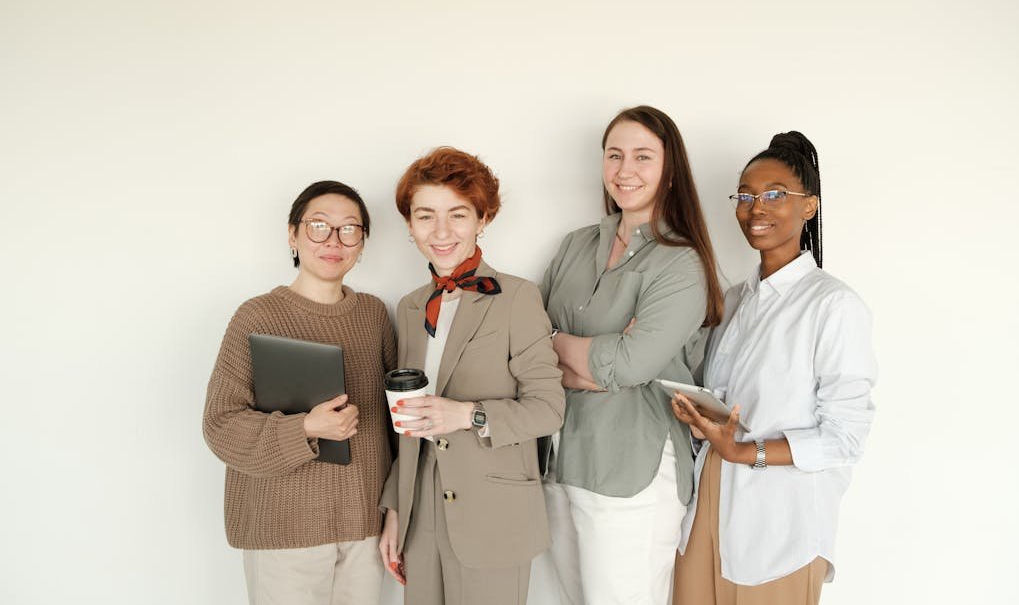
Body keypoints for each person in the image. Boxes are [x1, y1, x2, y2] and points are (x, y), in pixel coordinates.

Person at [671, 131, 877, 605]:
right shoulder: (737, 299)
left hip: (782, 522)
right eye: (745, 195)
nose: (755, 207)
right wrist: (702, 419)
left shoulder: (834, 306)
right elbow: (730, 405)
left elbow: (846, 436)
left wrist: (747, 452)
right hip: (710, 501)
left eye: (774, 195)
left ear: (809, 207)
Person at [540, 105, 724, 605]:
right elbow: (529, 351)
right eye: (614, 155)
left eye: (643, 157)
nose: (625, 170)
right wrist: (602, 360)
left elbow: (631, 366)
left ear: (669, 171)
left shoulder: (682, 262)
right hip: (561, 460)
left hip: (633, 472)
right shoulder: (576, 245)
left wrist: (573, 351)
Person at [377, 146, 565, 605]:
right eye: (425, 216)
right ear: (409, 224)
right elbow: (405, 424)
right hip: (420, 517)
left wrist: (466, 415)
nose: (441, 232)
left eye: (457, 215)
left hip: (495, 516)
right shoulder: (409, 307)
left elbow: (548, 410)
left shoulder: (518, 298)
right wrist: (396, 509)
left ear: (483, 219)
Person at [203, 181, 395, 605]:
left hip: (364, 527)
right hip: (284, 529)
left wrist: (396, 510)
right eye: (319, 226)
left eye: (349, 229)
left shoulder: (374, 315)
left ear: (362, 242)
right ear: (293, 234)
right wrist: (307, 427)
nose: (334, 240)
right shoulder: (257, 316)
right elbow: (220, 425)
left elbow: (395, 425)